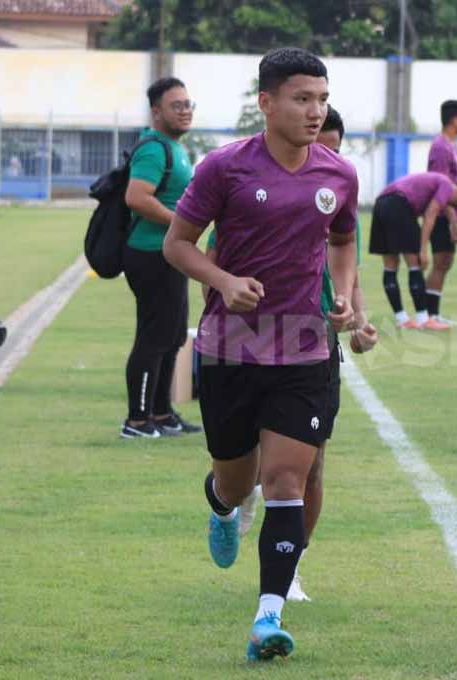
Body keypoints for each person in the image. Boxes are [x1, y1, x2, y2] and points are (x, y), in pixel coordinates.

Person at [161, 47, 359, 661]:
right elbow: (178, 245)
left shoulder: (338, 174)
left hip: (303, 350)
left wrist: (345, 298)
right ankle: (221, 505)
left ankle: (266, 618)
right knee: (236, 476)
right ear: (266, 102)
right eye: (302, 99)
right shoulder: (225, 168)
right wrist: (222, 283)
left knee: (286, 480)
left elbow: (346, 240)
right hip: (231, 348)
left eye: (321, 99)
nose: (314, 111)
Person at [209, 107, 380, 602]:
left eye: (331, 147)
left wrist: (360, 321)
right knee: (246, 469)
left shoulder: (335, 190)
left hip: (313, 345)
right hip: (247, 344)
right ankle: (231, 498)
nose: (320, 156)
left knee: (311, 466)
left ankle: (291, 568)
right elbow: (217, 259)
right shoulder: (250, 190)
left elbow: (348, 264)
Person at [121, 76, 202, 439]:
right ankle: (137, 421)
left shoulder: (174, 147)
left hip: (170, 255)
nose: (185, 112)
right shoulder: (154, 148)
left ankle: (161, 412)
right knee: (153, 338)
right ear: (157, 112)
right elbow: (137, 197)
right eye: (176, 105)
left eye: (188, 105)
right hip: (151, 254)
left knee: (173, 336)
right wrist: (181, 224)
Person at [370, 171, 457, 328]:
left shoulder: (431, 184)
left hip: (381, 204)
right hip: (400, 205)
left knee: (390, 266)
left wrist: (453, 225)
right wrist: (422, 250)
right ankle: (424, 319)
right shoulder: (447, 185)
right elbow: (430, 215)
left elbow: (436, 210)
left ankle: (402, 319)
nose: (448, 205)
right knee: (414, 264)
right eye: (455, 203)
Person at [423, 99, 457, 329]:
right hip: (441, 214)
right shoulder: (441, 147)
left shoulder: (451, 145)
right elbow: (441, 187)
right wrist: (452, 220)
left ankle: (433, 312)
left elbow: (456, 186)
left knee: (445, 261)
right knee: (441, 260)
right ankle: (429, 314)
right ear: (454, 119)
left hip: (450, 213)